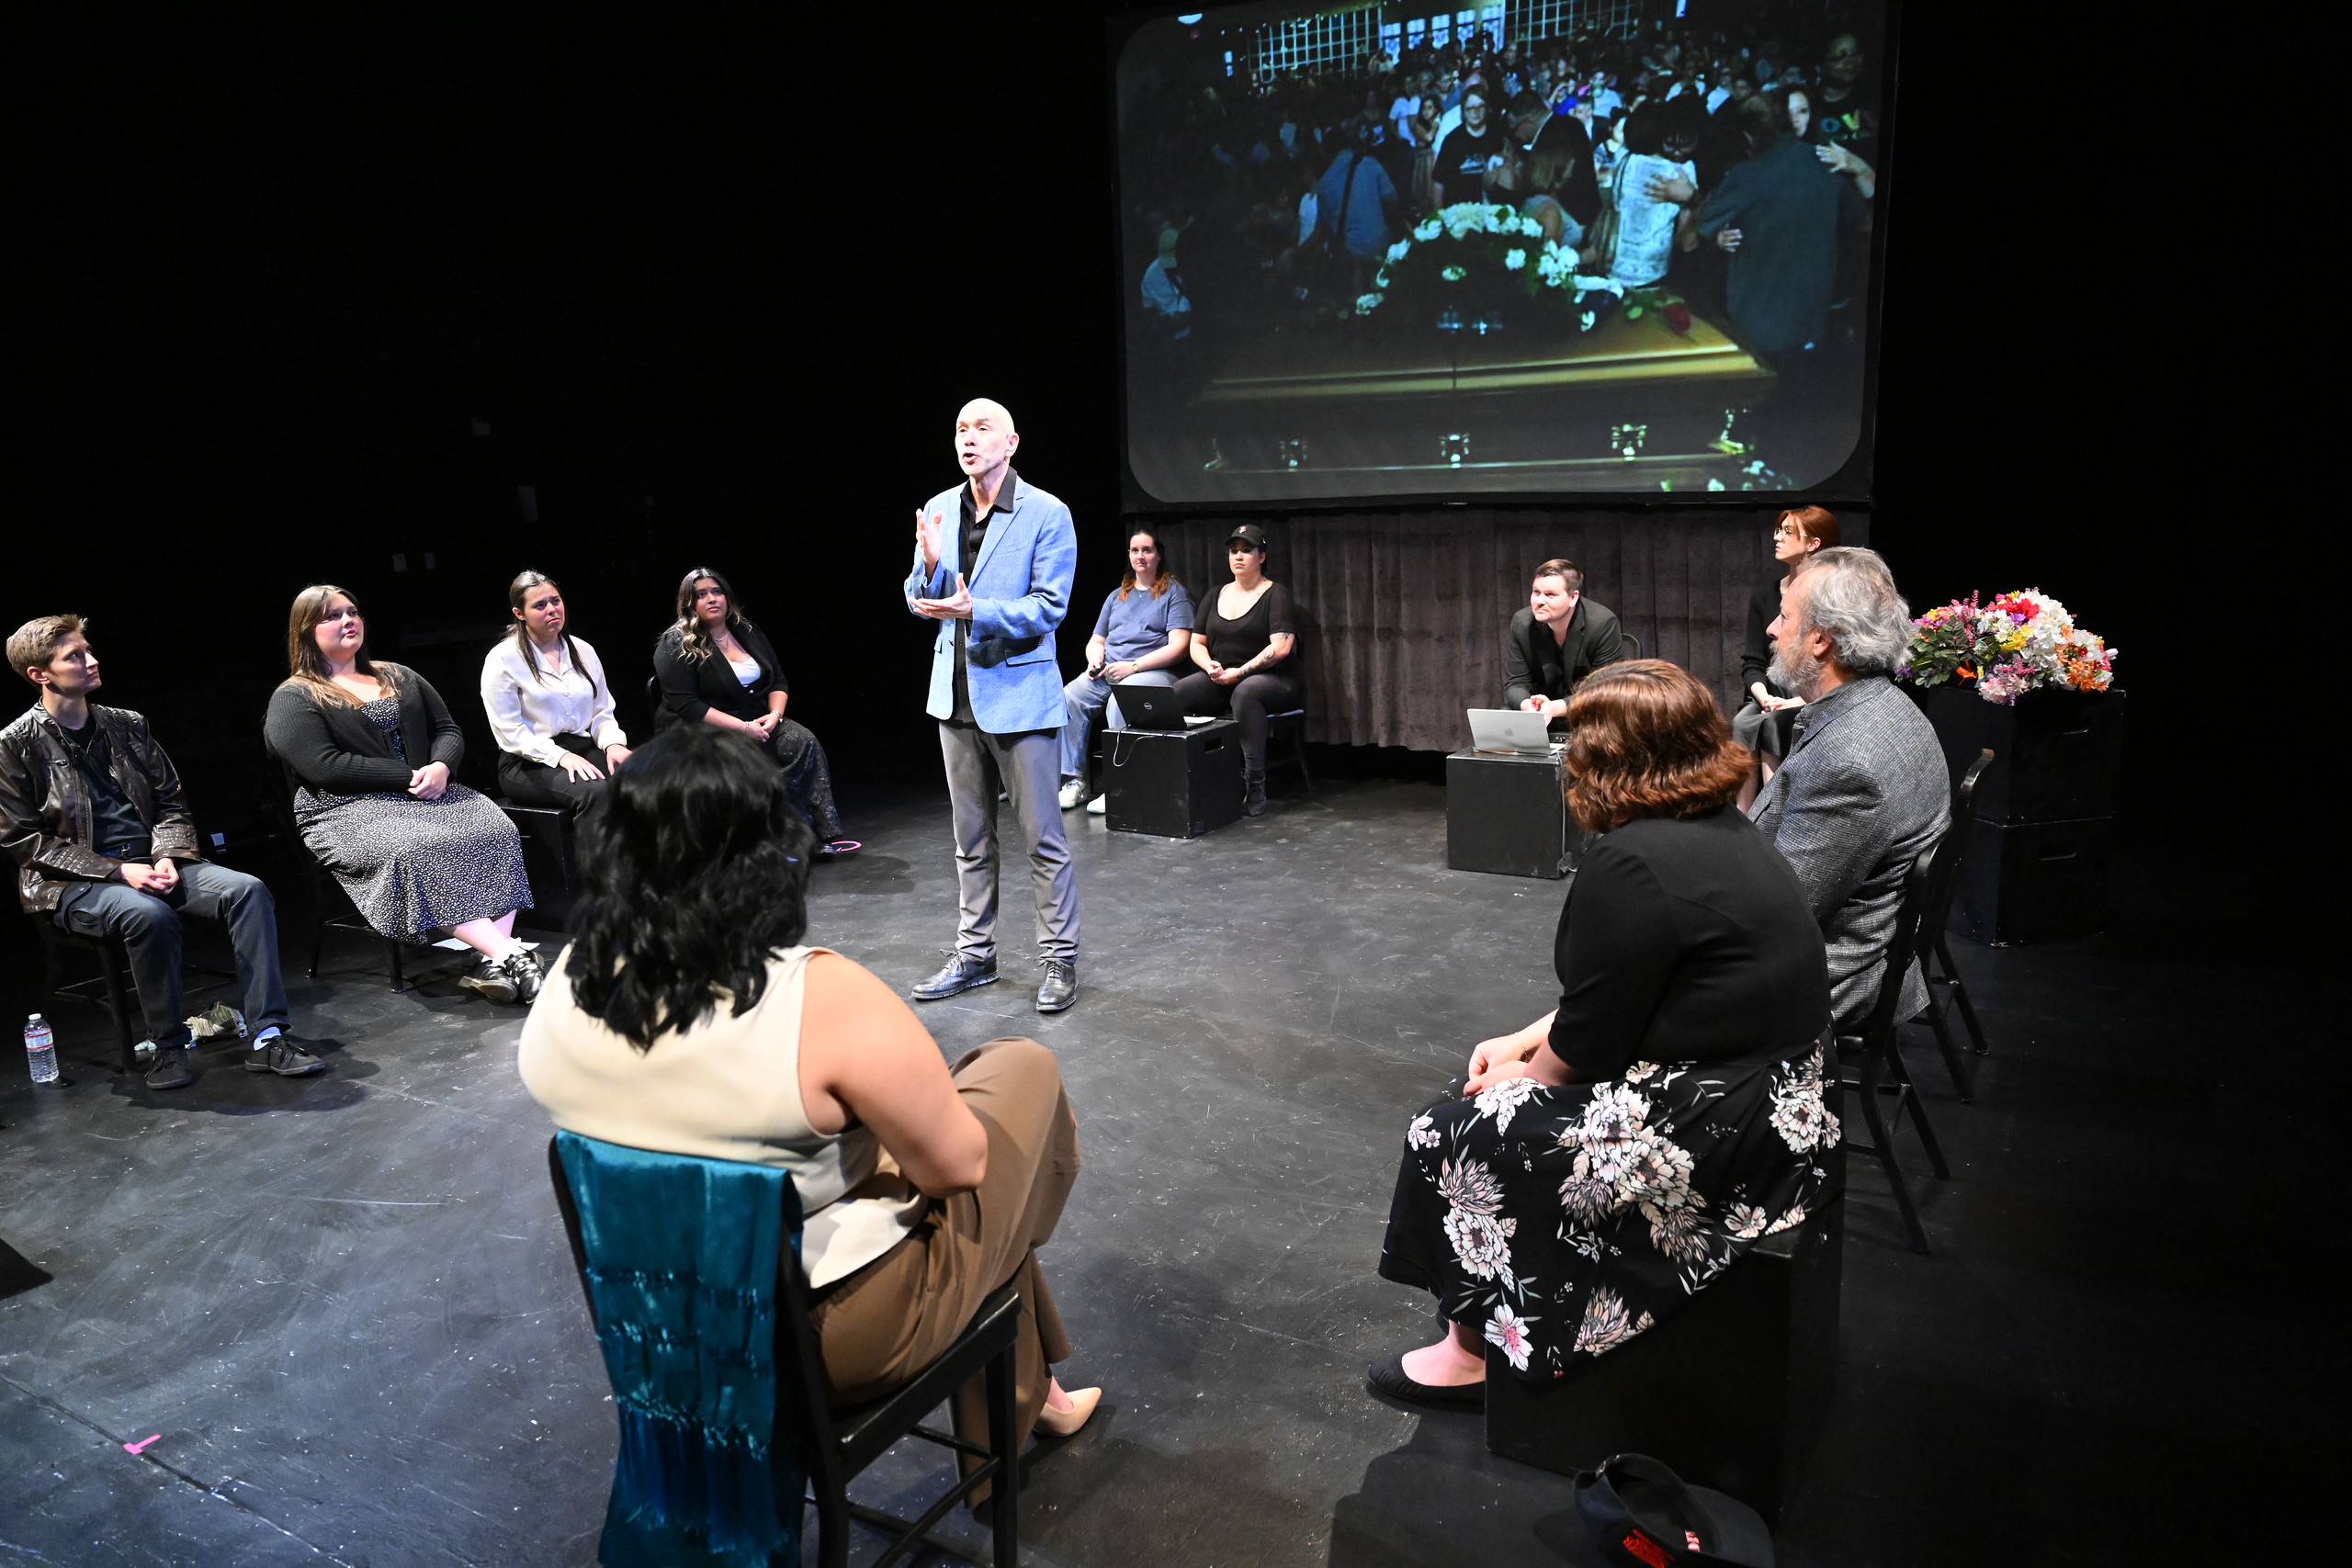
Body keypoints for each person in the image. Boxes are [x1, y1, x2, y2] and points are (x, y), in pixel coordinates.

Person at [518, 725, 1099, 1506]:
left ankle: (1040, 1392)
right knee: (1017, 1080)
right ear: (765, 853)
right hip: (819, 1335)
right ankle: (1014, 1418)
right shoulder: (813, 996)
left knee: (907, 1163)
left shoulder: (565, 984)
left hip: (661, 1323)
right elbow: (957, 1167)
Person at [1372, 660, 1836, 1402]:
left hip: (1726, 1129)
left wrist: (1523, 1076)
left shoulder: (1632, 861)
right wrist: (1522, 1040)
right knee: (1487, 1096)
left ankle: (1475, 1350)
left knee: (1450, 1127)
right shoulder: (1722, 830)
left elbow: (1585, 1047)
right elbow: (1629, 987)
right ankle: (1485, 1315)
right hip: (1783, 1100)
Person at [3, 615, 324, 1089]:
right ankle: (169, 1047)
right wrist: (119, 872)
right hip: (73, 883)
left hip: (154, 862)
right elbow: (25, 841)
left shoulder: (128, 725)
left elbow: (171, 802)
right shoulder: (16, 744)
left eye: (88, 650)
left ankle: (268, 1035)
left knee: (247, 891)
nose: (92, 661)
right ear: (39, 674)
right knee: (147, 914)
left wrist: (168, 854)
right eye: (74, 657)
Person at [263, 585, 540, 1004]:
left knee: (495, 830)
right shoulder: (295, 696)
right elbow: (324, 766)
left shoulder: (398, 675)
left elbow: (447, 729)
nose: (347, 621)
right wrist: (408, 775)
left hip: (426, 792)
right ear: (305, 631)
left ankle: (491, 961)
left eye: (352, 612)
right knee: (418, 848)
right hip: (345, 809)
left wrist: (441, 766)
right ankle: (510, 955)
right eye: (332, 616)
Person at [904, 399, 1081, 1013]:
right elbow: (919, 597)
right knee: (971, 840)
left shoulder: (1047, 512)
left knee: (1043, 840)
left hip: (1020, 698)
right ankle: (975, 954)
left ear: (1011, 442)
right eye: (961, 429)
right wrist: (930, 567)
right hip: (954, 697)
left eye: (982, 429)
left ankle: (1059, 958)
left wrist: (975, 609)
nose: (969, 439)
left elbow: (1049, 607)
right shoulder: (939, 508)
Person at [1749, 547, 1949, 1031]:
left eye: (1784, 617)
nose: (1771, 630)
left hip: (1822, 979)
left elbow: (1776, 915)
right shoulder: (1887, 705)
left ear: (1821, 639)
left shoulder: (1848, 760)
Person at [654, 568, 853, 856]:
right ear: (688, 603)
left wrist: (775, 716)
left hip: (756, 717)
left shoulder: (745, 630)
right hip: (701, 729)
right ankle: (765, 842)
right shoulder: (676, 644)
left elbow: (777, 679)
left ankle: (804, 834)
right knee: (741, 760)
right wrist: (743, 728)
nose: (712, 599)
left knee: (802, 742)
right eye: (701, 595)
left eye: (717, 592)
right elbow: (689, 706)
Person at [1695, 91, 1862, 363]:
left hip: (1759, 325)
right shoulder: (1826, 161)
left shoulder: (1745, 174)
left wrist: (1696, 207)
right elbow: (1856, 216)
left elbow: (1697, 232)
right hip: (1812, 318)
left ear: (1748, 136)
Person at [1059, 527, 1194, 813]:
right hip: (1112, 670)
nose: (1140, 556)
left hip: (1153, 671)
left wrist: (1133, 666)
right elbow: (1097, 640)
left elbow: (1179, 646)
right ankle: (1075, 780)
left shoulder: (1174, 594)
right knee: (1070, 696)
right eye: (1135, 550)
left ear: (1159, 555)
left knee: (1120, 699)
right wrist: (1094, 660)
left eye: (1147, 550)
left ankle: (1120, 785)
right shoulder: (1117, 596)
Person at [1170, 524, 1301, 818]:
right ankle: (1185, 777)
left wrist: (1239, 673)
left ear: (1261, 557)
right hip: (1224, 677)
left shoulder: (1276, 594)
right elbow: (1196, 643)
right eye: (1234, 551)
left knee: (1245, 692)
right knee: (1177, 694)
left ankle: (1255, 783)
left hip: (1275, 680)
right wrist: (1209, 666)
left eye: (1246, 550)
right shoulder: (1215, 595)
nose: (1238, 556)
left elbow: (1281, 648)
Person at [480, 570, 631, 818]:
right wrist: (560, 756)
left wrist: (613, 743)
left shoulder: (583, 650)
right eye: (540, 605)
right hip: (527, 761)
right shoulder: (503, 658)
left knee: (638, 778)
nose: (552, 609)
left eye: (555, 601)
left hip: (581, 745)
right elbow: (510, 731)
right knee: (594, 792)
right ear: (520, 614)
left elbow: (602, 711)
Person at [1733, 507, 1838, 808]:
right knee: (1742, 722)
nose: (1777, 538)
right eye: (1778, 530)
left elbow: (1834, 665)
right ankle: (1743, 815)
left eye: (1787, 532)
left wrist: (1794, 702)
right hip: (1770, 693)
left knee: (1772, 723)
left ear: (1813, 543)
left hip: (1810, 694)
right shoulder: (1764, 594)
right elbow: (1753, 662)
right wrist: (1765, 697)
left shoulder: (1829, 596)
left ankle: (1773, 813)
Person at [1502, 558, 1625, 735]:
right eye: (1536, 592)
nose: (1539, 601)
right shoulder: (1522, 622)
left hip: (1588, 714)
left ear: (1573, 597)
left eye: (1550, 594)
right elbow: (1516, 682)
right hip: (1541, 712)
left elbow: (1604, 690)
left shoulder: (1602, 623)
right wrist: (1528, 706)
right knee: (1503, 722)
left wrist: (1555, 708)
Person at [1431, 85, 1510, 208]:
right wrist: (1438, 213)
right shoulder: (1452, 140)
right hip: (1458, 211)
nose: (1475, 112)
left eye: (1480, 106)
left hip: (1491, 210)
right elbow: (1439, 181)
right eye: (1471, 108)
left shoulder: (1498, 137)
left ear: (1487, 108)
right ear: (1464, 110)